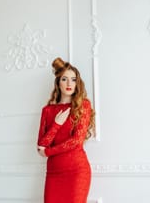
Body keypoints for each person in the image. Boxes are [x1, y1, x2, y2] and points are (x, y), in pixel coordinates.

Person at [37, 57, 95, 203]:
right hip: (53, 174)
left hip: (76, 172)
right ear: (58, 82)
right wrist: (56, 124)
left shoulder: (83, 106)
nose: (69, 83)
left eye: (73, 79)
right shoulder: (48, 110)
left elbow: (76, 141)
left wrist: (48, 152)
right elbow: (41, 145)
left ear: (77, 83)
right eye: (64, 79)